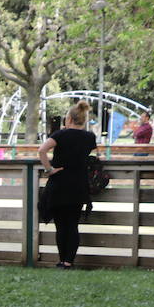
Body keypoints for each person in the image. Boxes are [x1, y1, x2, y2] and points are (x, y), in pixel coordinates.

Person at [37, 101, 99, 268]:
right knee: (72, 225)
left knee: (60, 225)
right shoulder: (90, 137)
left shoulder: (60, 135)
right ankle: (68, 261)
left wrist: (49, 169)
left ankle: (61, 260)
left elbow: (42, 150)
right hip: (78, 185)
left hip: (59, 183)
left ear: (69, 119)